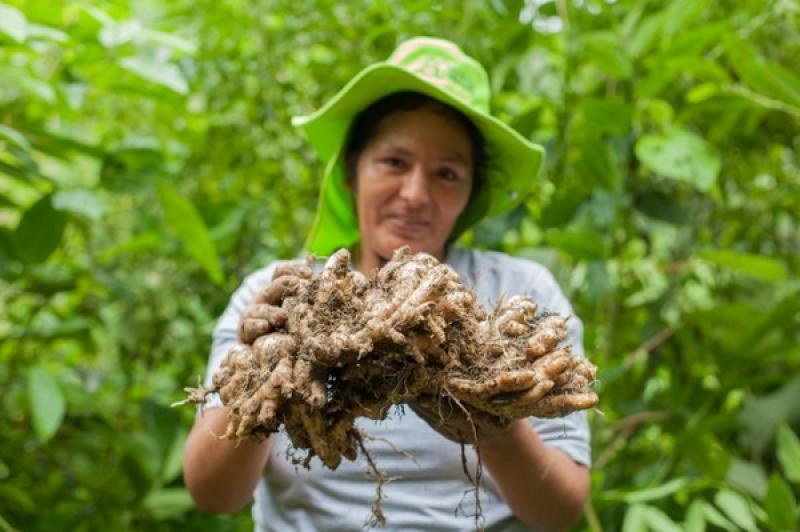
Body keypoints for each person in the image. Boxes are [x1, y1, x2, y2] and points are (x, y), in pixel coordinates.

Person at [183, 37, 591, 531]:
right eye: (394, 163)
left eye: (446, 173)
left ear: (470, 195)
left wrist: (495, 423)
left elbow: (561, 513)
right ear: (351, 173)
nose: (416, 194)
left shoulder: (523, 296)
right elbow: (213, 494)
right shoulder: (277, 298)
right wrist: (260, 371)